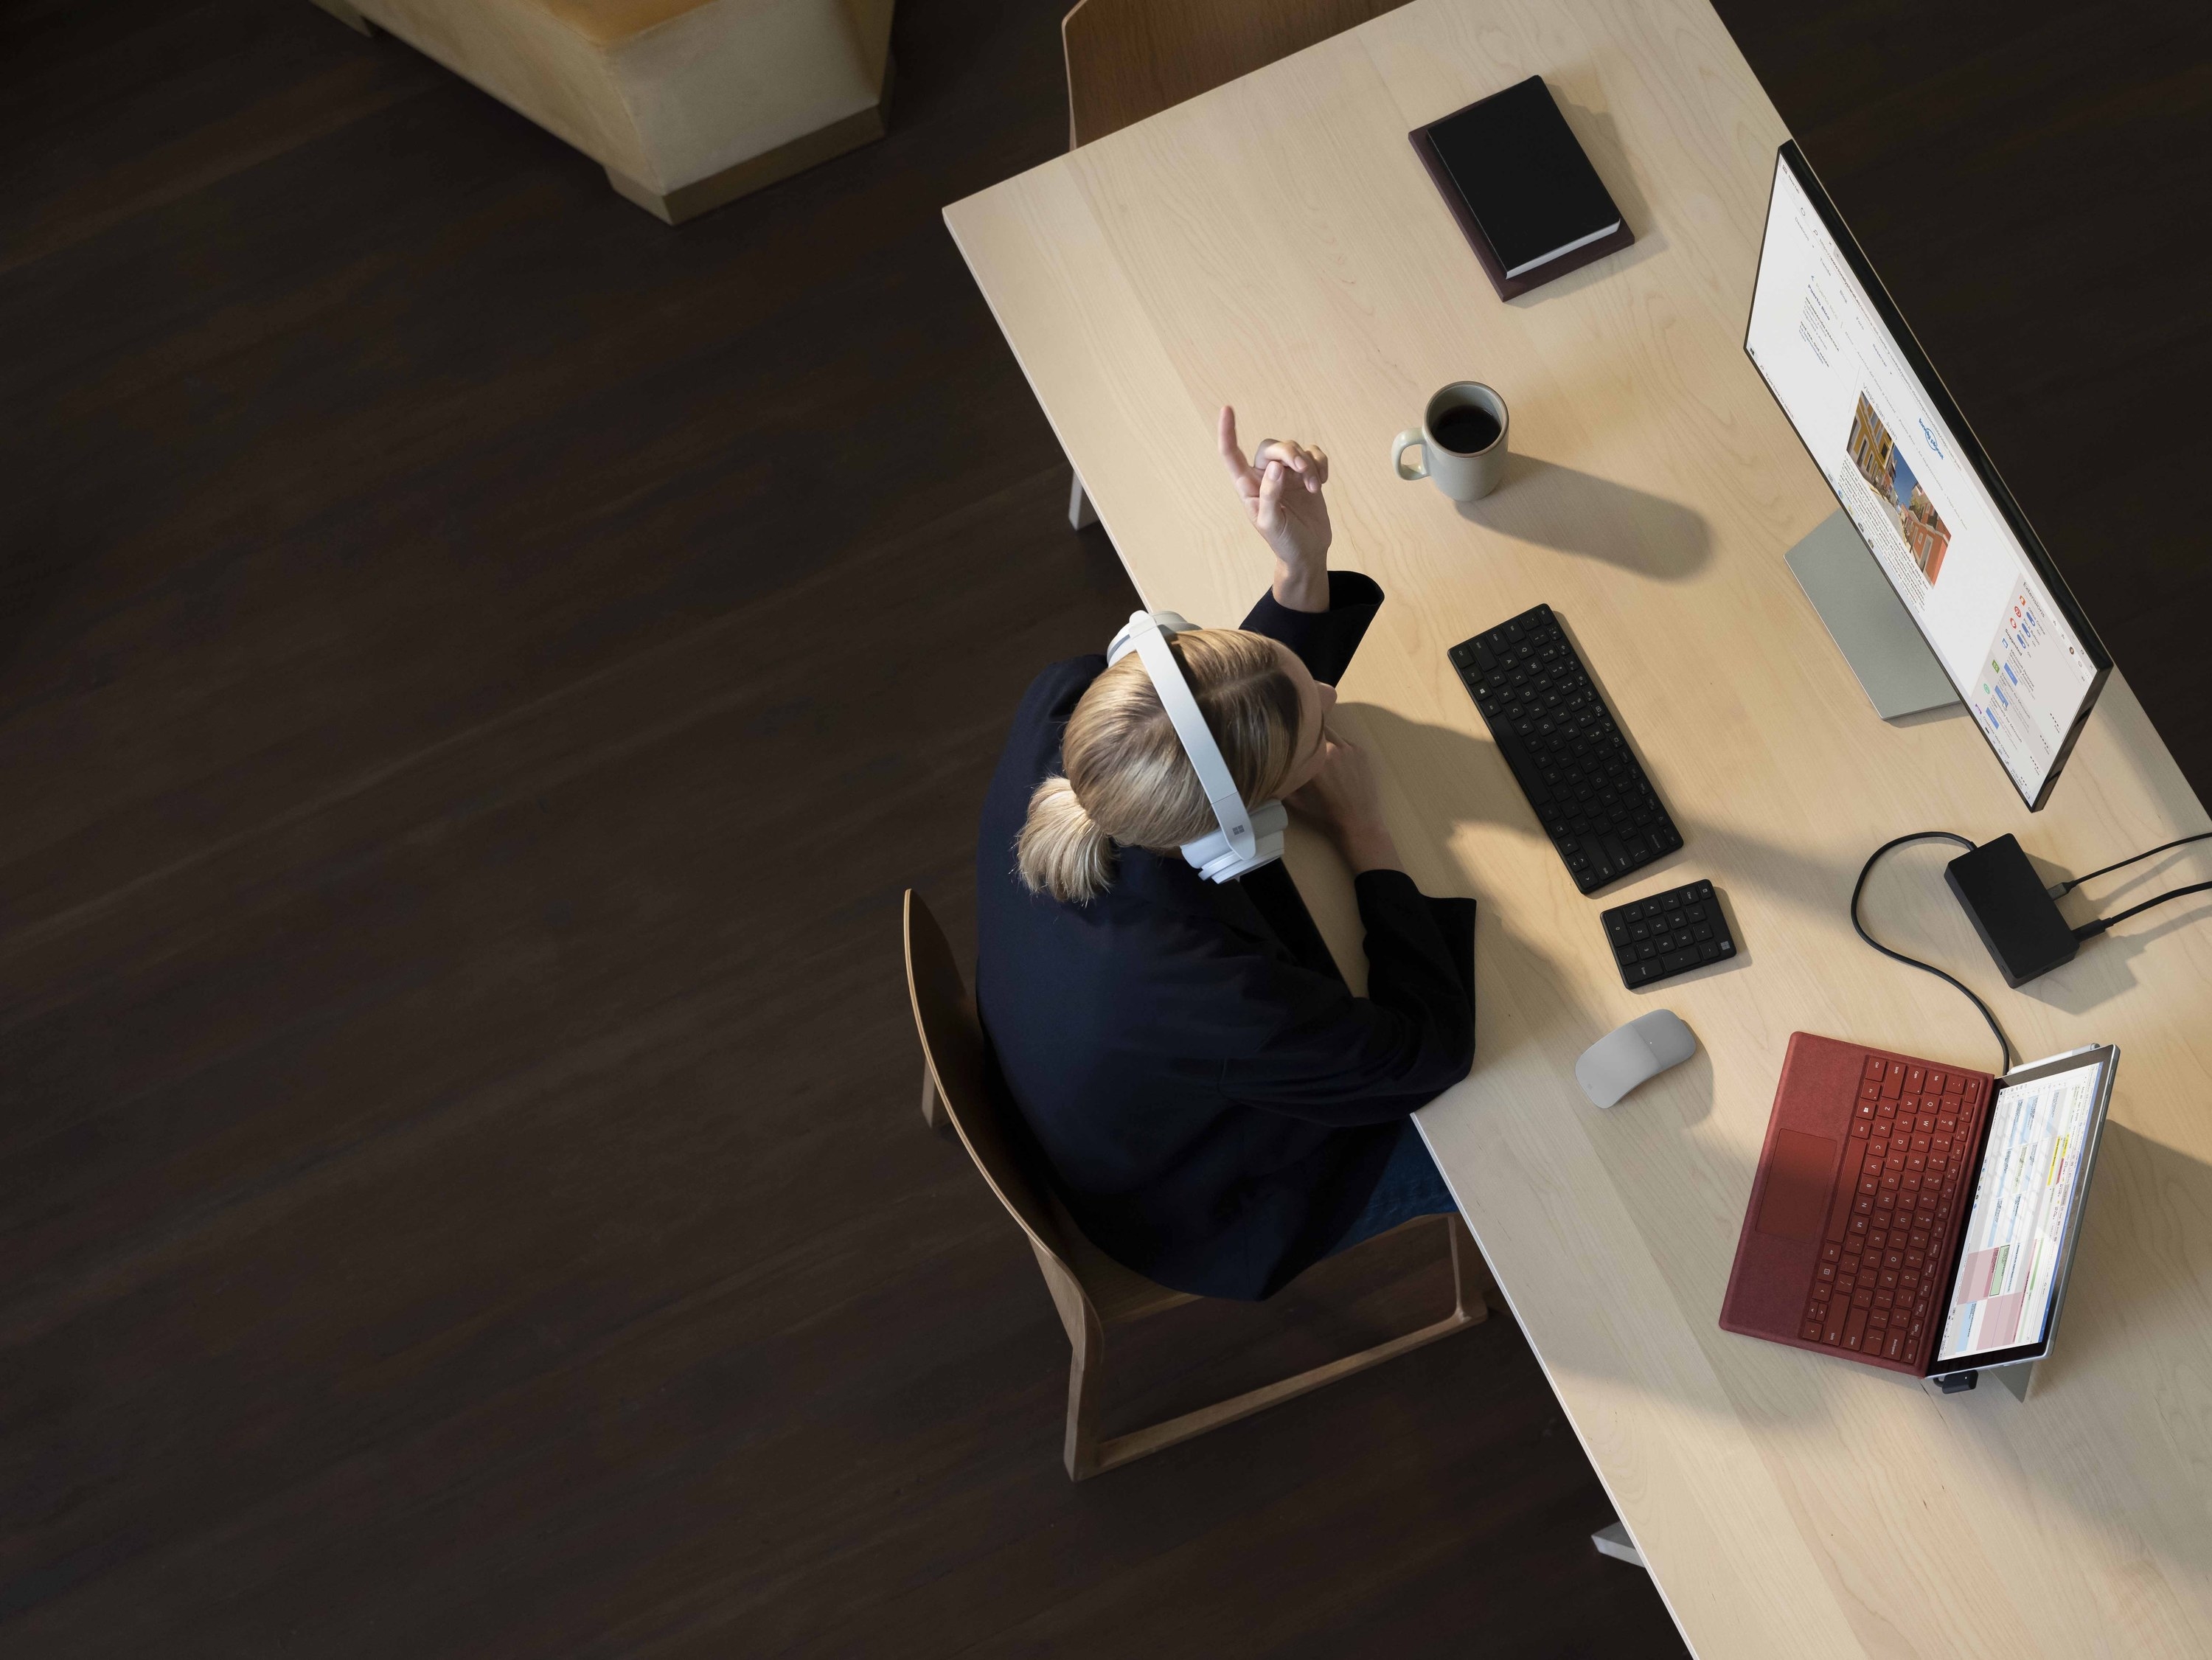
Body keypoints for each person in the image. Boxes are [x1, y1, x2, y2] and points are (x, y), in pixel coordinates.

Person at [973, 407, 1475, 1302]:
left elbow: (1218, 720)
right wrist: (1367, 838)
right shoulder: (1202, 985)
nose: (1328, 690)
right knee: (1512, 1134)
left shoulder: (1071, 706)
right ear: (1241, 830)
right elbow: (1425, 1056)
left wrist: (1300, 567)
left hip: (1087, 1081)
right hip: (1202, 1204)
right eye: (1314, 730)